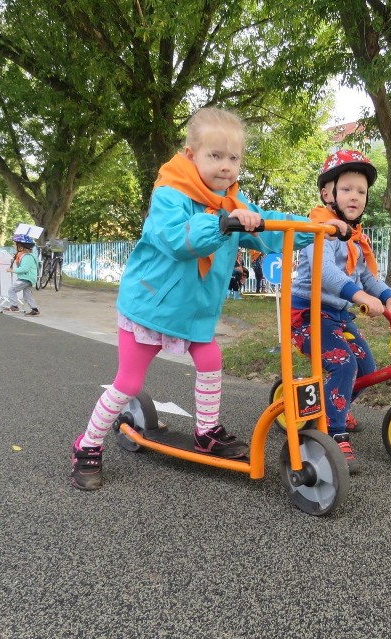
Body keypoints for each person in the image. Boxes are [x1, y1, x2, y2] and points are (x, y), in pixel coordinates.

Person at [70, 107, 348, 491]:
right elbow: (178, 239)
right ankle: (87, 446)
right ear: (191, 155)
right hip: (150, 308)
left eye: (233, 158)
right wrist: (221, 221)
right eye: (215, 156)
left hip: (195, 312)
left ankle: (207, 432)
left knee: (210, 358)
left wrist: (314, 227)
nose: (225, 166)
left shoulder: (233, 200)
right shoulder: (171, 194)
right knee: (129, 383)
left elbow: (268, 230)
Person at [290, 150, 391, 473]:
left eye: (361, 191)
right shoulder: (319, 230)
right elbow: (326, 272)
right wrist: (358, 297)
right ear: (328, 194)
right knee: (344, 364)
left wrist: (388, 297)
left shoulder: (355, 239)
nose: (355, 196)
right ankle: (331, 428)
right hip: (309, 317)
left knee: (365, 368)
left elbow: (368, 277)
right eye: (346, 189)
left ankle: (332, 405)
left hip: (338, 318)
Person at [3, 234, 40, 316]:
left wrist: (12, 270)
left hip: (25, 278)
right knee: (27, 295)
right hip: (28, 278)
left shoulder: (27, 257)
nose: (14, 246)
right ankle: (35, 309)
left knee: (12, 290)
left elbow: (24, 269)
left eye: (15, 244)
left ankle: (14, 306)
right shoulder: (27, 256)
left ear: (21, 247)